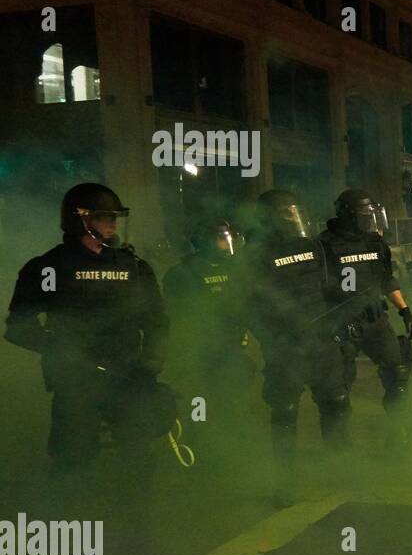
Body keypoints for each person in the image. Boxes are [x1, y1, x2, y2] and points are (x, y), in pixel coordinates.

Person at [5, 183, 173, 530]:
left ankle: (134, 531)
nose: (112, 225)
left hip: (128, 376)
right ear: (79, 220)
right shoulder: (49, 268)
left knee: (138, 456)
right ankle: (66, 533)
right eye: (104, 218)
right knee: (73, 458)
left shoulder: (135, 267)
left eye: (115, 218)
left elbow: (157, 322)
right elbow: (18, 327)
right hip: (76, 380)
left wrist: (152, 359)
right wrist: (61, 350)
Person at [235, 188, 348, 506]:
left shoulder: (310, 246)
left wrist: (347, 304)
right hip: (285, 347)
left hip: (320, 339)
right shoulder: (253, 256)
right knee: (285, 412)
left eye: (295, 213)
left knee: (335, 403)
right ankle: (285, 482)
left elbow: (326, 284)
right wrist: (272, 337)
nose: (294, 219)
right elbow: (244, 305)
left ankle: (340, 470)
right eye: (287, 214)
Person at [318, 189, 412, 447]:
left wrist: (404, 310)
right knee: (337, 389)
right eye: (365, 213)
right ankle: (337, 447)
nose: (371, 218)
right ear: (349, 214)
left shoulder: (374, 242)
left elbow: (386, 280)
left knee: (397, 374)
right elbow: (319, 287)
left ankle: (397, 434)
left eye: (373, 213)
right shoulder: (325, 244)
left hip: (374, 318)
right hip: (341, 322)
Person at [162, 218, 254, 441]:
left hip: (229, 349)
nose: (227, 244)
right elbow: (179, 316)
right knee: (199, 400)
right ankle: (197, 440)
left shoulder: (234, 270)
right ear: (206, 242)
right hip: (198, 352)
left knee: (230, 401)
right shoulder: (182, 273)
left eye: (228, 239)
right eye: (222, 239)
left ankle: (229, 443)